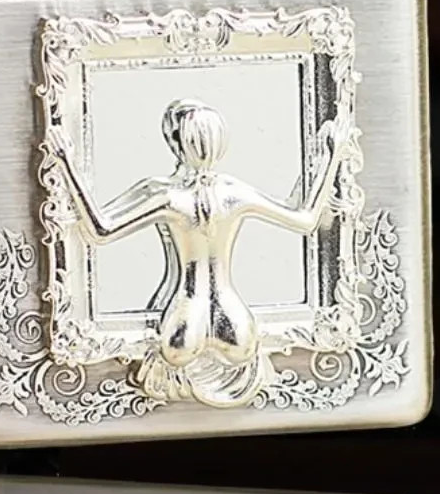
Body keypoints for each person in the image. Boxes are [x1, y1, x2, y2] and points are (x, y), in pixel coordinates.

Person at [46, 97, 346, 407]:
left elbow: (101, 229)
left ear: (174, 142)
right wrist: (330, 158)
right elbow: (304, 218)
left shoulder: (166, 195)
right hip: (236, 321)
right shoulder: (233, 191)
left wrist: (67, 164)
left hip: (184, 319)